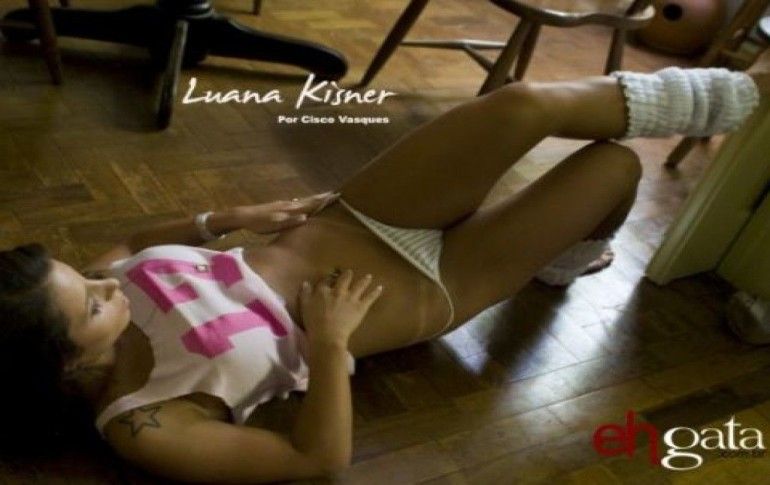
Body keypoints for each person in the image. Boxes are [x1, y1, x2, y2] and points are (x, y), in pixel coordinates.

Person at [0, 67, 766, 483]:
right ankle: (564, 264)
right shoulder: (146, 425)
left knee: (523, 103)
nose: (106, 281)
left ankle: (747, 88)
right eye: (91, 303)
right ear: (64, 363)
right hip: (429, 288)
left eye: (82, 275)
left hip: (358, 216)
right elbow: (314, 460)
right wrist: (331, 345)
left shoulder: (95, 287)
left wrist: (226, 217)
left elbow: (133, 237)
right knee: (614, 167)